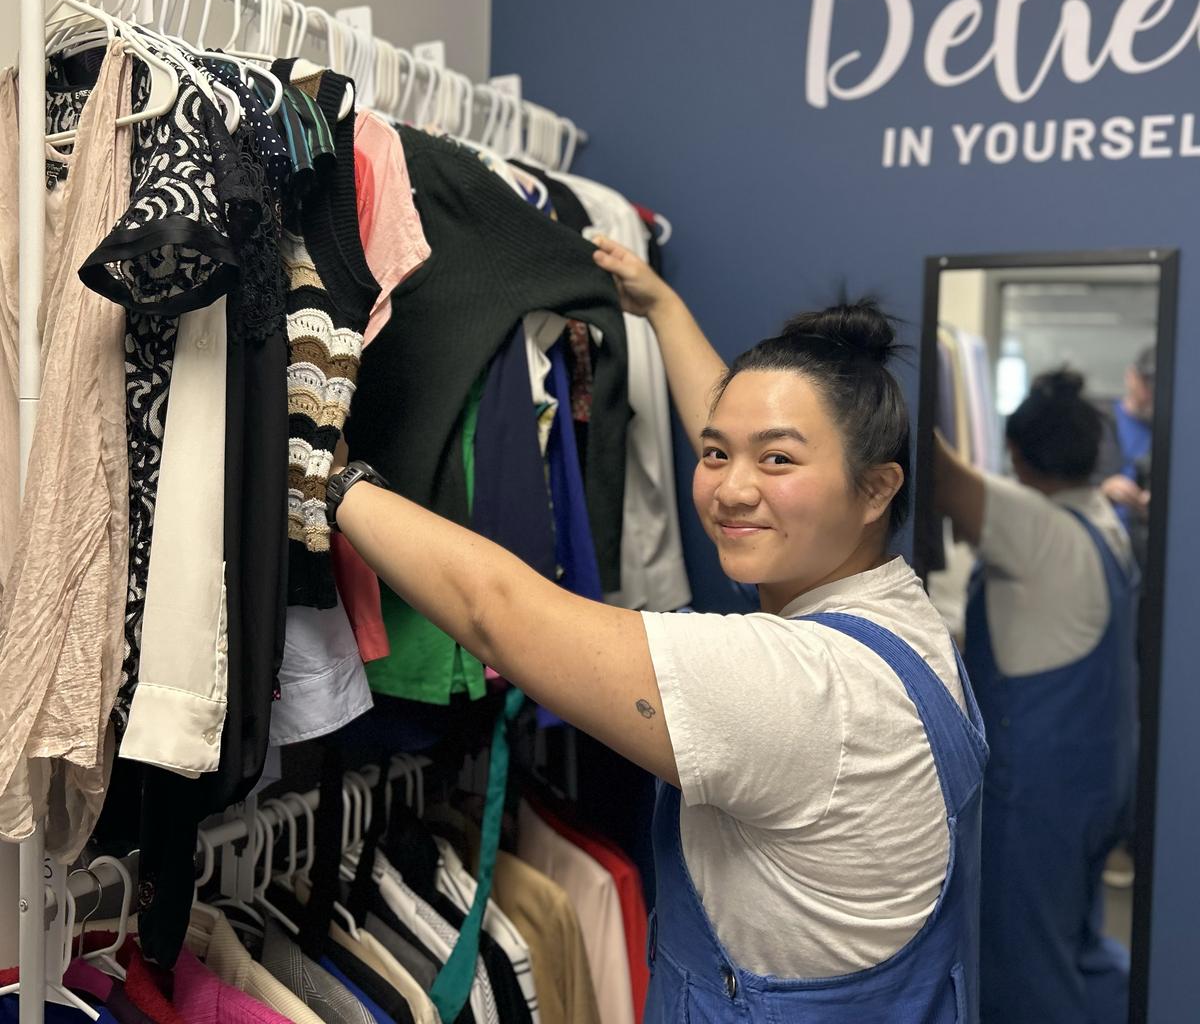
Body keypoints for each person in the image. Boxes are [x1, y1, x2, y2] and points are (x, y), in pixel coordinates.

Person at [330, 236, 986, 1022]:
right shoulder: (903, 623)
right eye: (714, 453)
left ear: (876, 488)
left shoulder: (807, 688)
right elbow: (748, 446)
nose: (731, 488)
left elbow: (497, 614)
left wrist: (330, 477)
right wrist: (664, 311)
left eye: (776, 460)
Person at [934, 368, 1138, 1024]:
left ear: (1018, 456)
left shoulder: (1042, 532)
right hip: (1095, 781)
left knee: (1024, 966)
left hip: (1037, 796)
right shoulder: (1103, 523)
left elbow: (937, 474)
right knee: (1075, 945)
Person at [1099, 344, 1154, 573]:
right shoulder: (1100, 424)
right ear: (1132, 377)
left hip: (1147, 551)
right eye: (1147, 382)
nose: (1151, 391)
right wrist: (1104, 491)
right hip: (1106, 544)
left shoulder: (1172, 432)